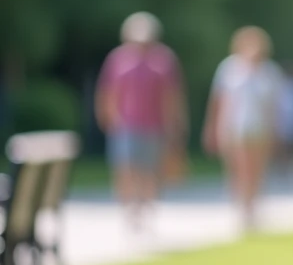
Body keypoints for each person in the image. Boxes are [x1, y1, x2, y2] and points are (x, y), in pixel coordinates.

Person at [95, 12, 187, 231]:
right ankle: (129, 209)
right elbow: (107, 91)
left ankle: (145, 207)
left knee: (149, 169)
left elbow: (172, 96)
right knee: (125, 168)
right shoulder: (117, 59)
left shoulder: (164, 60)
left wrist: (175, 125)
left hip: (155, 125)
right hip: (124, 125)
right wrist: (106, 117)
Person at [203, 26, 282, 231]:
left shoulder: (269, 71)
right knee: (237, 169)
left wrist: (275, 130)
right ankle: (240, 207)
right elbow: (218, 101)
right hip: (234, 127)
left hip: (260, 127)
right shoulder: (229, 68)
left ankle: (252, 207)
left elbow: (273, 104)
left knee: (255, 170)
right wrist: (212, 127)